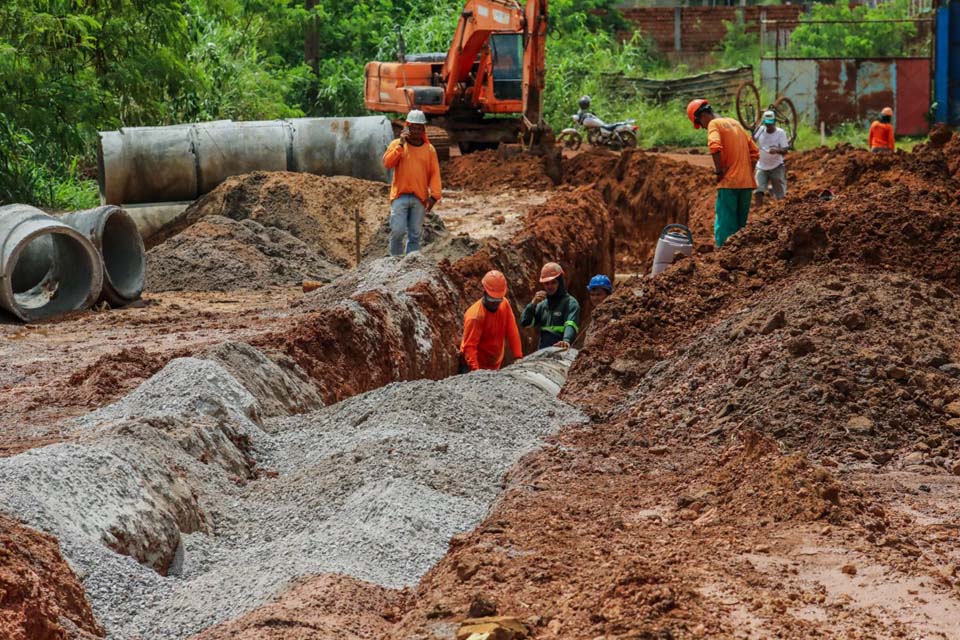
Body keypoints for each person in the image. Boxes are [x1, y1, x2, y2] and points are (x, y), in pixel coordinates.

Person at [687, 98, 760, 248]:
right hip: (746, 185)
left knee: (725, 228)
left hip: (729, 184)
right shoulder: (735, 124)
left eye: (700, 124)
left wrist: (719, 171)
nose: (702, 128)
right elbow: (755, 152)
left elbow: (714, 147)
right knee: (740, 229)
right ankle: (739, 260)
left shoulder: (714, 124)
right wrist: (746, 173)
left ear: (701, 117)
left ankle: (722, 261)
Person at [381, 109, 442, 256]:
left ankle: (411, 265)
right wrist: (400, 145)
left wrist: (434, 196)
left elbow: (434, 174)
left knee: (415, 234)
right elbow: (387, 163)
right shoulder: (397, 145)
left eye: (419, 128)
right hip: (400, 196)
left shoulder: (429, 150)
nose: (415, 131)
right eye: (412, 127)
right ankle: (394, 262)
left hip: (419, 197)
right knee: (397, 231)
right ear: (407, 127)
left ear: (423, 129)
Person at [459, 270, 523, 373]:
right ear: (484, 292)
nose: (496, 304)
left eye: (498, 300)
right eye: (493, 300)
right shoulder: (475, 316)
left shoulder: (504, 304)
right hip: (473, 364)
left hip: (494, 364)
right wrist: (476, 371)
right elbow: (470, 347)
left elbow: (512, 330)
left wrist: (518, 356)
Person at [521, 262, 581, 350]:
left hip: (562, 350)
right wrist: (532, 305)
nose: (550, 286)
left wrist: (566, 340)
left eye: (553, 283)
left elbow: (571, 324)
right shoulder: (542, 305)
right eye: (546, 283)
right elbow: (525, 322)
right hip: (543, 350)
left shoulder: (570, 303)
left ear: (560, 282)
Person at [753, 110, 789, 206]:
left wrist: (776, 150)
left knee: (780, 195)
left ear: (774, 122)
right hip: (762, 166)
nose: (769, 126)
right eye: (767, 123)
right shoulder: (760, 130)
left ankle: (781, 211)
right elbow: (752, 141)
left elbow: (785, 150)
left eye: (771, 123)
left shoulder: (780, 133)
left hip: (777, 166)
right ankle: (758, 212)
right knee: (758, 191)